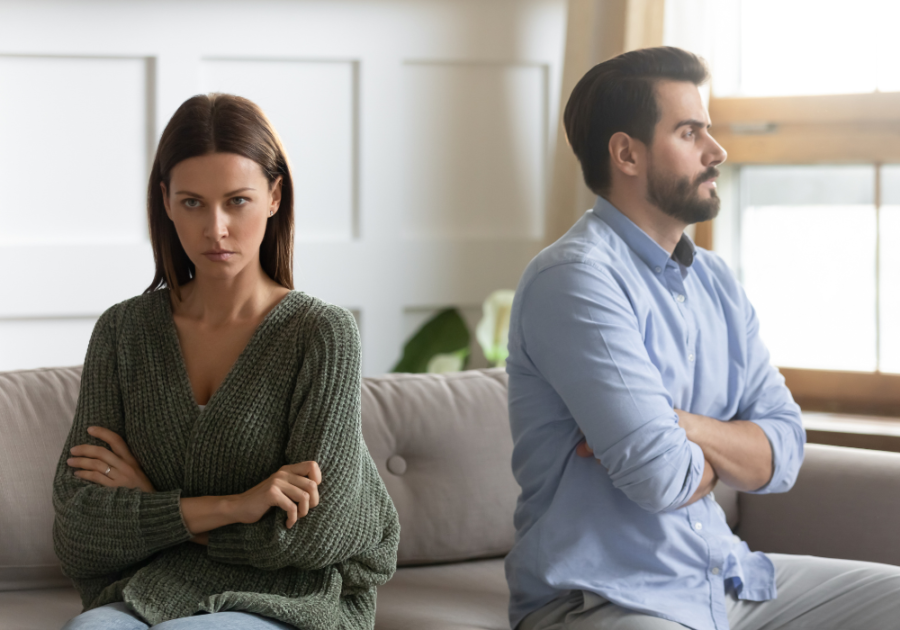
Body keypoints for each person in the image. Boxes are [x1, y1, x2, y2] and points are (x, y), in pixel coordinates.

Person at [504, 47, 900, 630]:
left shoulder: (713, 279)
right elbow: (660, 479)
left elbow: (786, 449)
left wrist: (678, 423)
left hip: (726, 580)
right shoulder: (575, 279)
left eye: (708, 131)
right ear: (627, 154)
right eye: (690, 133)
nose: (717, 152)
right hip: (610, 600)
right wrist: (726, 446)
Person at [53, 93, 400, 630]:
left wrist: (158, 509)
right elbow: (79, 529)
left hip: (291, 599)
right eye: (192, 202)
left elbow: (316, 532)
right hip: (153, 586)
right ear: (165, 201)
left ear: (274, 197)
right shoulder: (122, 332)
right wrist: (237, 506)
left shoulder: (321, 334)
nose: (215, 228)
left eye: (236, 201)